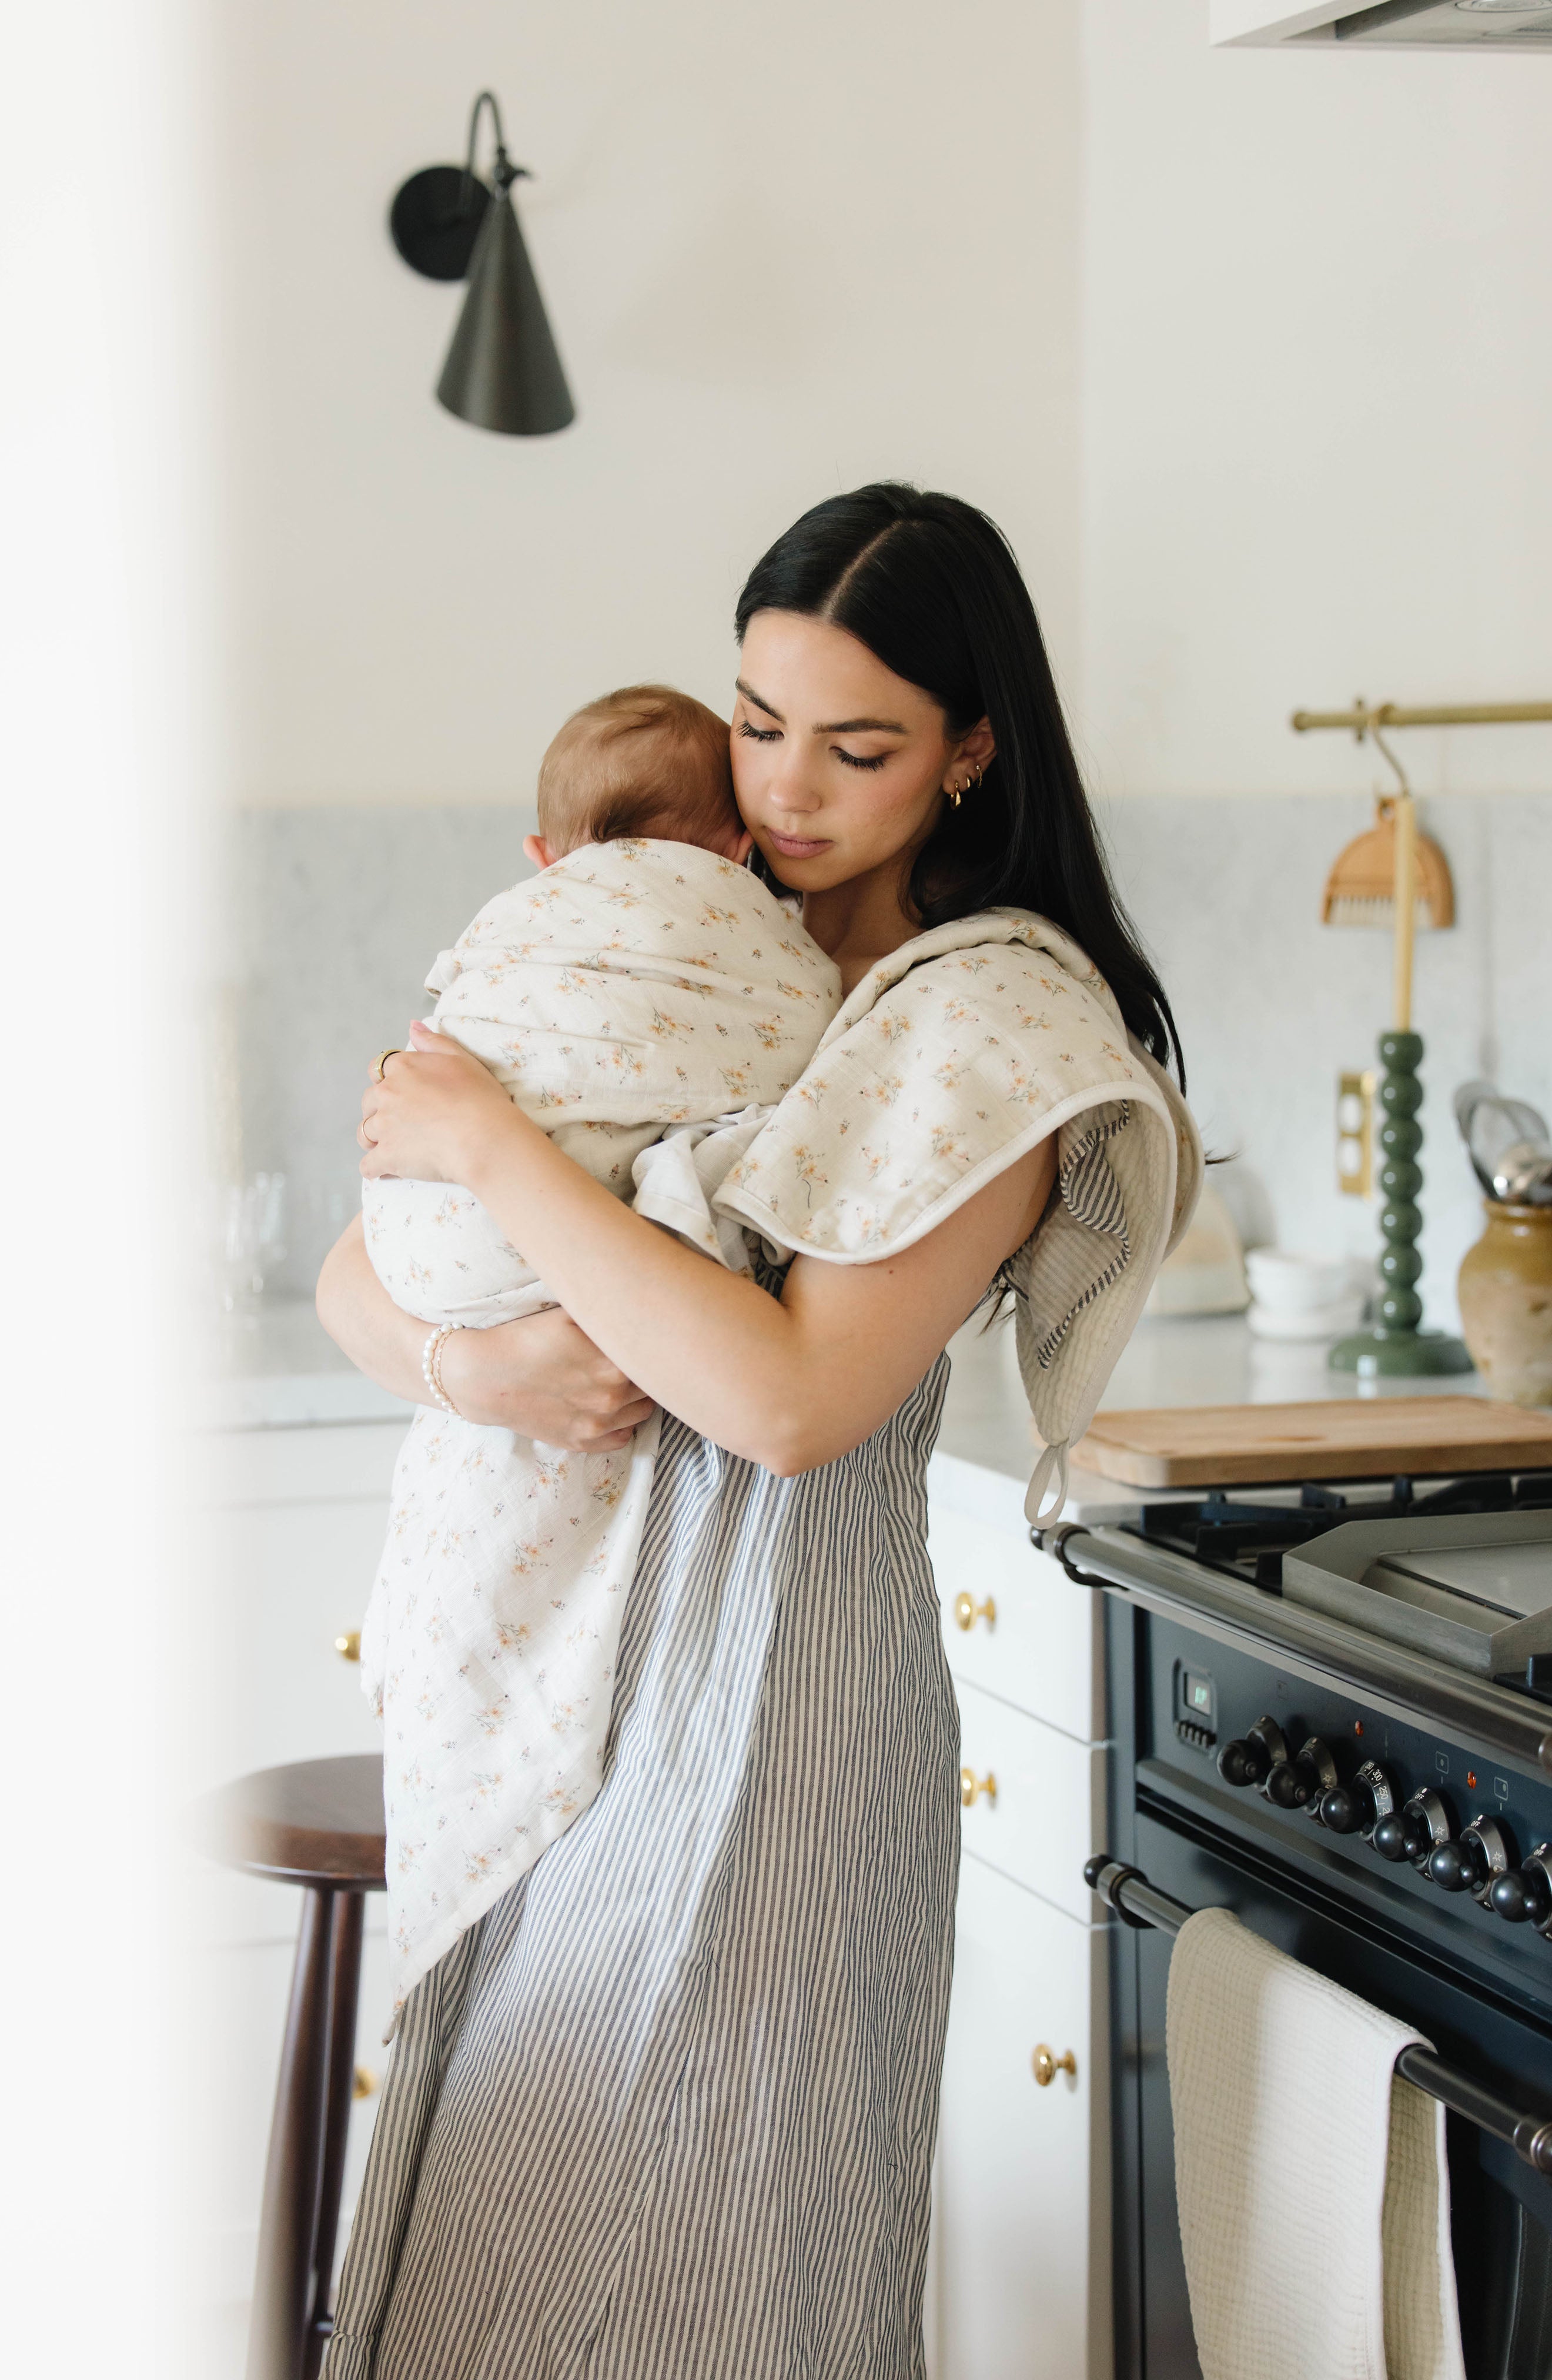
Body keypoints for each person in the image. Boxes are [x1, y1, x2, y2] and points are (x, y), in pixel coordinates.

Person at [317, 484, 1196, 2380]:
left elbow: (791, 1405)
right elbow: (359, 1269)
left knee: (722, 2270)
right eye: (759, 721)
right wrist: (477, 1369)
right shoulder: (694, 950)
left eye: (858, 747)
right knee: (510, 2248)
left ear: (973, 752)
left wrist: (489, 1151)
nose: (787, 790)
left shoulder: (996, 1024)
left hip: (775, 1711)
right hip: (566, 1681)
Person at [359, 682, 841, 2021]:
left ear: (540, 857)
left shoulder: (507, 937)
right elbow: (788, 1046)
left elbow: (410, 1135)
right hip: (541, 1291)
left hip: (449, 1250)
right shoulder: (760, 948)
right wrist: (487, 1366)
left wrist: (475, 1173)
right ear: (735, 843)